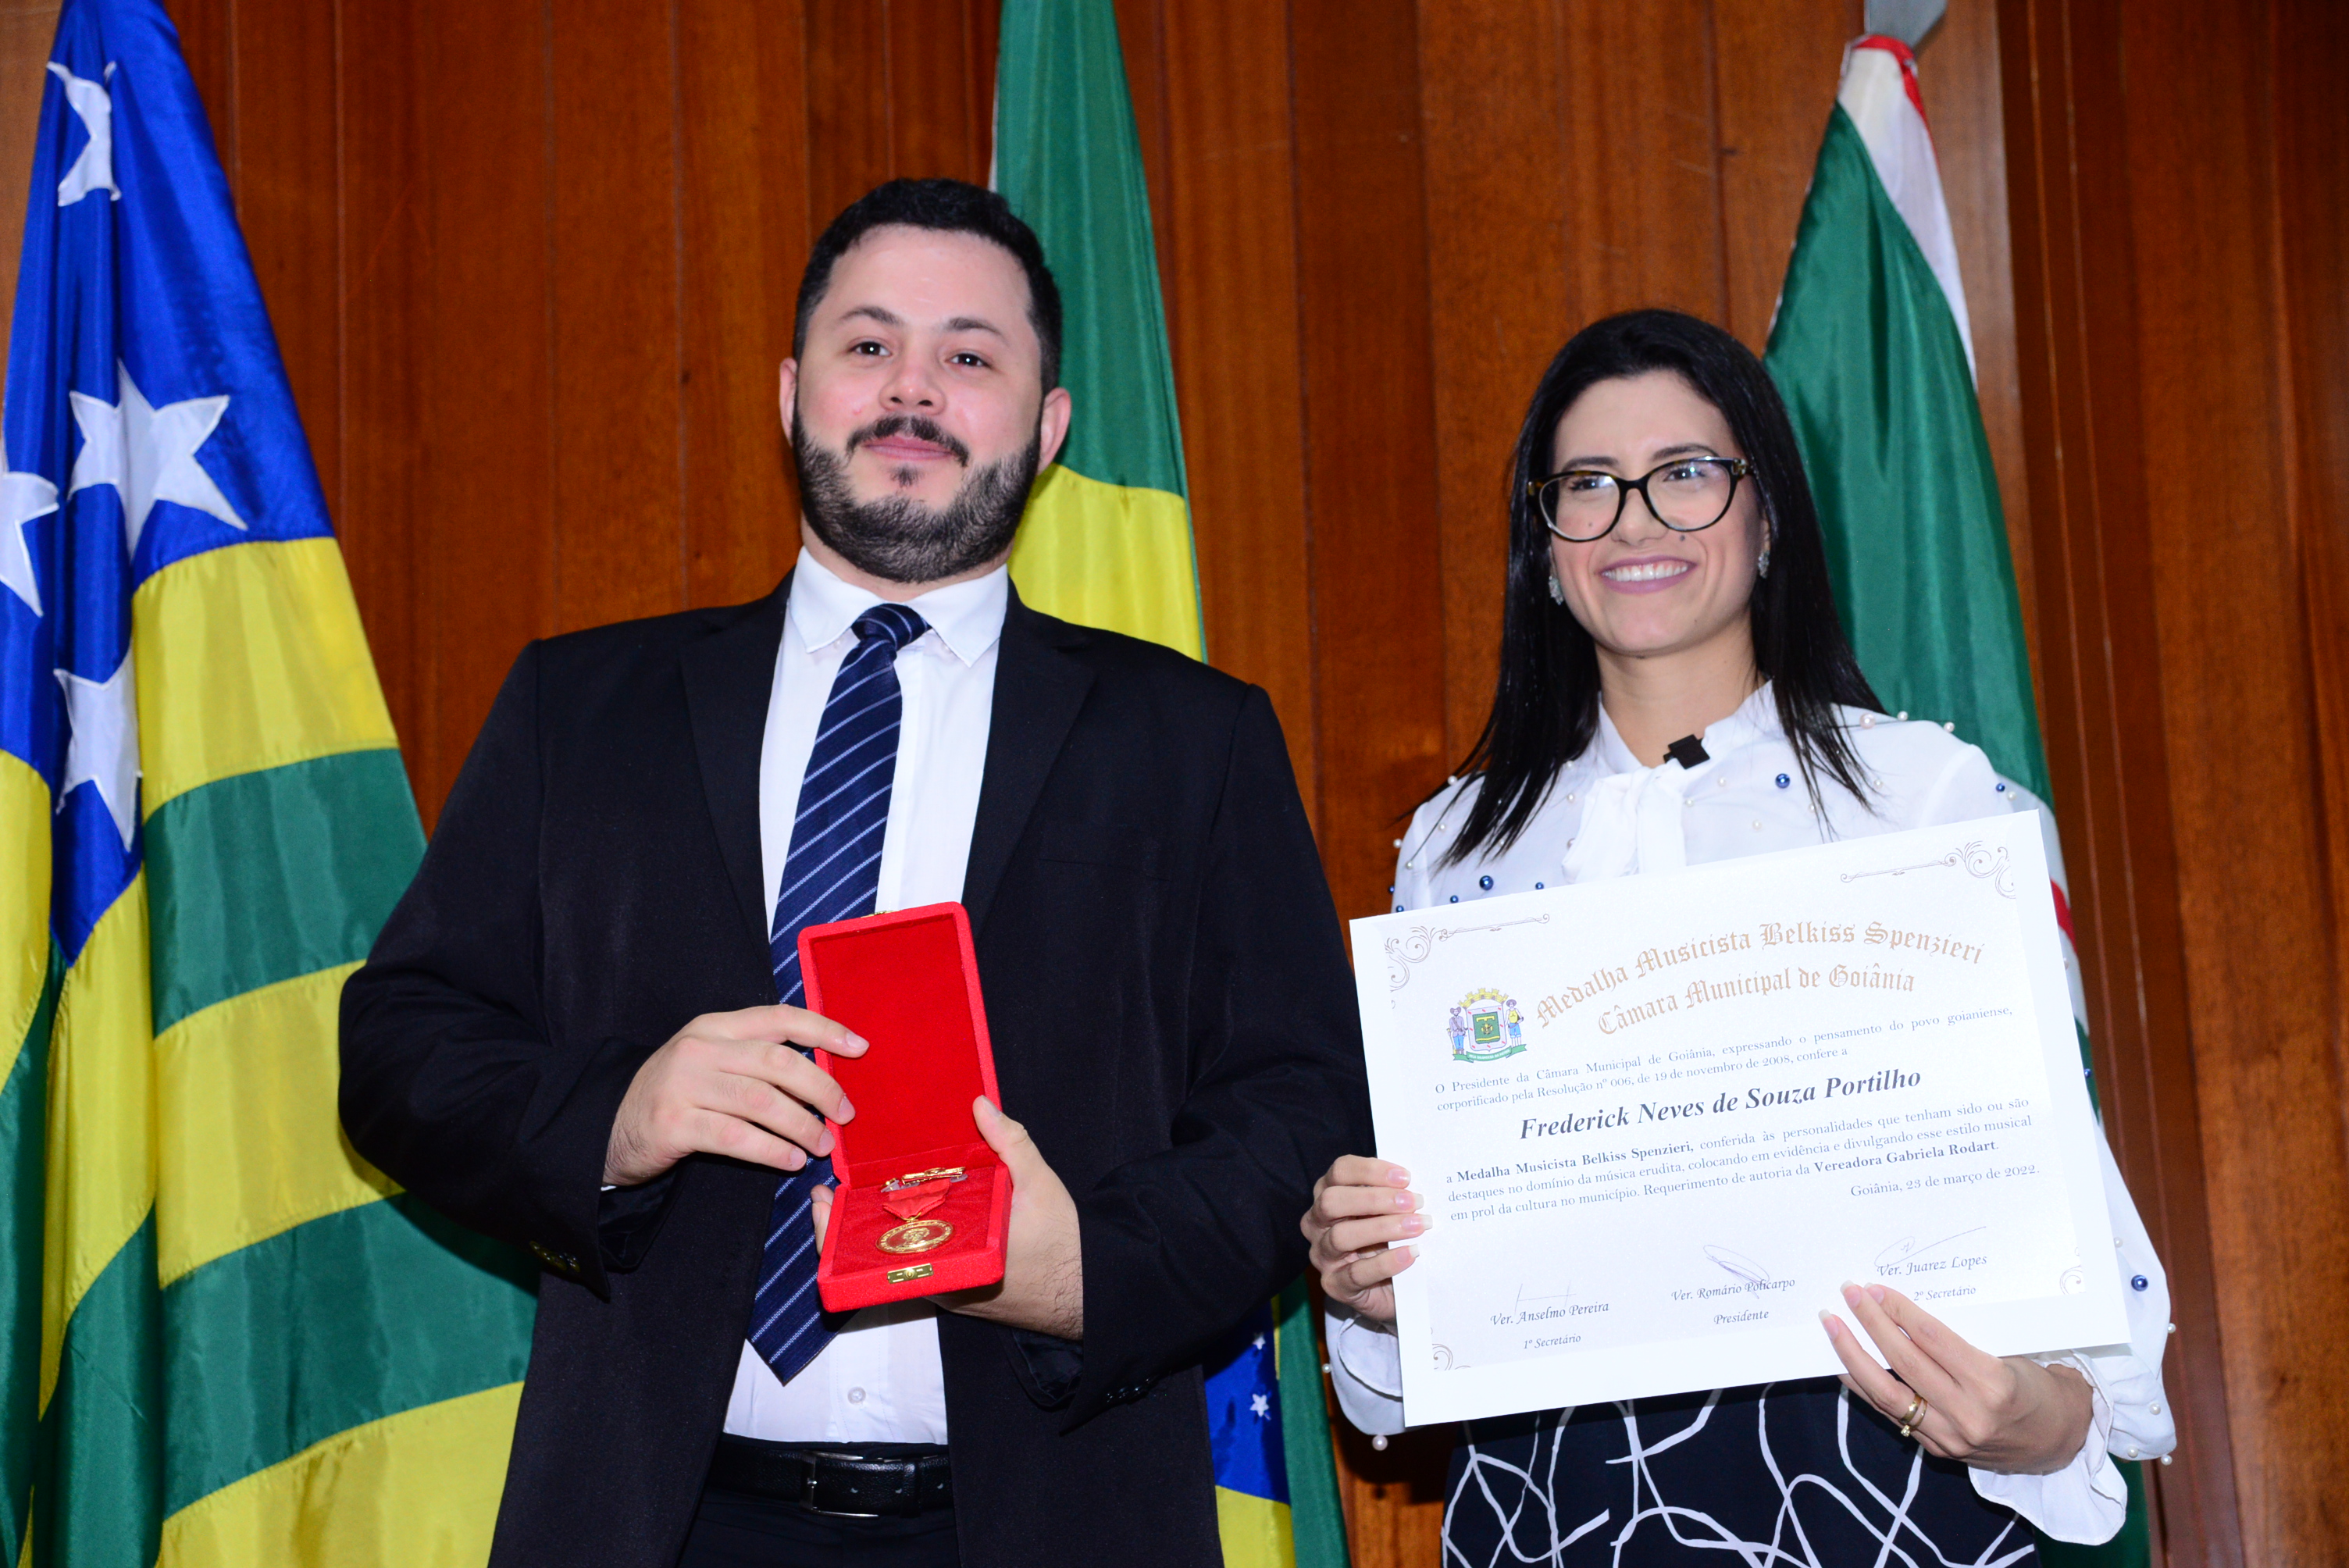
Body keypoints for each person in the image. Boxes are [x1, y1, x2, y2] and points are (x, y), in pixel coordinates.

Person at [340, 177, 1368, 1568]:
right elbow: (401, 1046)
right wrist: (616, 1118)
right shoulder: (583, 711)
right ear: (791, 393)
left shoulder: (1192, 739)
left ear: (1048, 427)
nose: (912, 389)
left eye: (970, 356)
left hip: (1053, 1518)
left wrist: (1086, 1270)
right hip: (657, 1520)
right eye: (869, 344)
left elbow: (1299, 1105)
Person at [1302, 308, 2174, 1563]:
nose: (1635, 520)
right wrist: (1371, 1282)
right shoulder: (1455, 850)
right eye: (1587, 485)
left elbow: (2060, 1217)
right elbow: (1413, 1359)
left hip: (1881, 1486)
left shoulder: (1929, 800)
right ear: (1543, 550)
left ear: (1767, 522)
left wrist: (2047, 1420)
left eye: (1687, 473)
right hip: (1559, 1506)